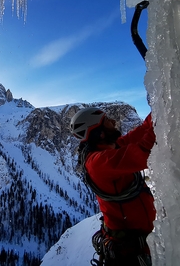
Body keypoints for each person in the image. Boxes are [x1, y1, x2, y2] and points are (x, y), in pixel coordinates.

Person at [70, 107, 156, 266]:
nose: (114, 122)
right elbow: (145, 151)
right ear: (100, 132)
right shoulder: (99, 163)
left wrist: (160, 109)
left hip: (138, 242)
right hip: (130, 252)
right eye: (108, 121)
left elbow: (141, 132)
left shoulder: (111, 148)